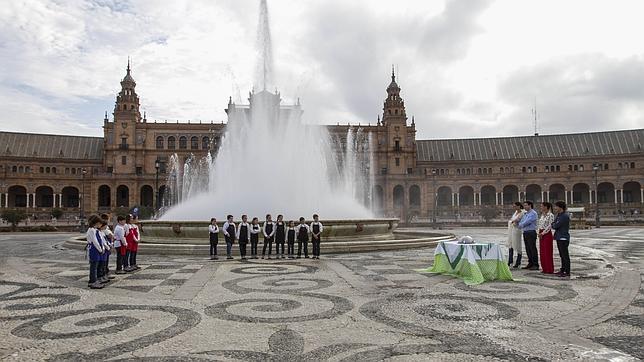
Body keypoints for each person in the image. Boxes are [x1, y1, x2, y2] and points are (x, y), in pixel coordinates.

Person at [517, 200, 539, 270]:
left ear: (530, 205)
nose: (525, 207)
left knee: (532, 248)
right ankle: (530, 262)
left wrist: (521, 225)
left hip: (531, 232)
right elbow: (521, 222)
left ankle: (535, 264)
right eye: (524, 205)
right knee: (528, 248)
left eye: (526, 205)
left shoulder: (533, 213)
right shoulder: (525, 214)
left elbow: (527, 222)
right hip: (525, 232)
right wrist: (521, 224)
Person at [552, 201, 571, 277]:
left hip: (563, 237)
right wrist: (554, 224)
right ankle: (562, 269)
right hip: (559, 237)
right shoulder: (559, 215)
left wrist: (554, 224)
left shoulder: (564, 216)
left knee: (565, 255)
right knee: (562, 255)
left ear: (560, 207)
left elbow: (555, 225)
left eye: (556, 206)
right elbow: (553, 223)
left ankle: (567, 271)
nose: (555, 208)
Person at [86, 215, 105, 289]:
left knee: (96, 266)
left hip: (96, 249)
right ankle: (92, 281)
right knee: (94, 266)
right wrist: (100, 249)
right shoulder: (91, 230)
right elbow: (95, 241)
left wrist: (101, 248)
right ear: (96, 222)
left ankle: (94, 279)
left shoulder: (95, 230)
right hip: (94, 249)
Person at [538, 202, 555, 274]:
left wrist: (543, 233)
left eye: (542, 206)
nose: (541, 208)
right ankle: (544, 268)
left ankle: (549, 269)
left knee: (547, 251)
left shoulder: (550, 215)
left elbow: (550, 226)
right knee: (542, 251)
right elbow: (540, 224)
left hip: (547, 234)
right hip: (541, 233)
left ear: (546, 207)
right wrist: (539, 232)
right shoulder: (542, 215)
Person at [507, 202, 525, 268]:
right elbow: (513, 220)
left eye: (515, 206)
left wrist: (514, 222)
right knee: (510, 245)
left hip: (517, 231)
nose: (514, 207)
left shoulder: (522, 213)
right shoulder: (515, 212)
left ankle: (518, 261)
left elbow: (517, 220)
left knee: (517, 245)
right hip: (511, 230)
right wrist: (512, 222)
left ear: (519, 206)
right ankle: (510, 261)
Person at [100, 213, 115, 279]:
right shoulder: (104, 228)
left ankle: (105, 272)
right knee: (104, 261)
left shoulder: (106, 227)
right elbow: (110, 235)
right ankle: (104, 273)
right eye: (108, 219)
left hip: (107, 246)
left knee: (106, 260)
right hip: (105, 247)